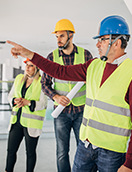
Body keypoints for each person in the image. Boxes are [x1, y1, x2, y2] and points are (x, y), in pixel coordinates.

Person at [7, 15, 132, 172]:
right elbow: (59, 71)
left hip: (111, 151)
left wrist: (130, 163)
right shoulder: (94, 65)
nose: (97, 44)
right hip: (86, 145)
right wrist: (29, 54)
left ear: (117, 43)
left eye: (102, 39)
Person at [41, 19, 93, 172]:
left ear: (71, 36)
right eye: (56, 36)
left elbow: (93, 82)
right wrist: (56, 97)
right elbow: (44, 84)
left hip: (81, 112)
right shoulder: (51, 57)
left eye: (62, 36)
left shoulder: (86, 55)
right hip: (61, 113)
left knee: (84, 150)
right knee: (62, 152)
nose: (58, 40)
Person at [5, 58, 47, 172]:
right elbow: (10, 96)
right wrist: (15, 100)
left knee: (30, 152)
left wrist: (28, 102)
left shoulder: (42, 81)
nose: (27, 68)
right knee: (10, 151)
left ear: (37, 68)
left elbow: (43, 104)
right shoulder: (19, 78)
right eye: (26, 65)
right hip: (16, 121)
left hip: (31, 124)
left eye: (31, 65)